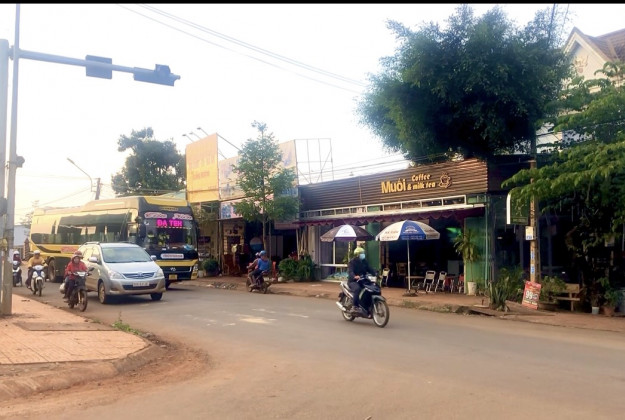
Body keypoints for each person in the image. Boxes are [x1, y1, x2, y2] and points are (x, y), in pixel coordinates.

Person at [347, 246, 377, 315]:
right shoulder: (352, 262)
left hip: (363, 280)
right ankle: (354, 307)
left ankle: (366, 305)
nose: (363, 254)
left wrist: (375, 273)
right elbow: (350, 271)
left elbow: (369, 268)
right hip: (353, 281)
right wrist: (354, 276)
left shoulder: (364, 261)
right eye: (362, 253)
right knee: (357, 289)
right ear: (357, 254)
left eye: (363, 253)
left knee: (370, 288)